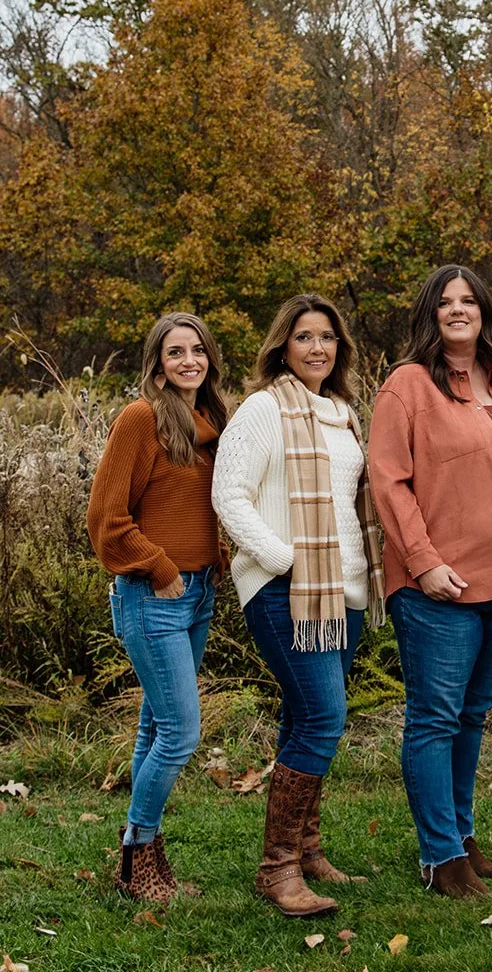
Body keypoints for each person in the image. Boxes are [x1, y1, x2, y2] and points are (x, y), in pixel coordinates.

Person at [368, 265, 492, 899]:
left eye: (470, 299)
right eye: (446, 302)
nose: (459, 310)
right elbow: (389, 481)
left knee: (472, 715)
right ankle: (439, 857)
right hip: (438, 585)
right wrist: (423, 561)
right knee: (435, 718)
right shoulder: (407, 387)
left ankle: (462, 837)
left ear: (484, 311)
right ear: (430, 315)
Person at [212, 293, 385, 918]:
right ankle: (276, 869)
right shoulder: (263, 410)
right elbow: (229, 496)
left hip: (346, 592)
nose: (318, 348)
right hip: (287, 590)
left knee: (303, 717)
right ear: (282, 345)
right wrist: (285, 560)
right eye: (306, 337)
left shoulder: (343, 413)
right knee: (323, 717)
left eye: (328, 338)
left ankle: (307, 852)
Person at [88, 312, 228, 904]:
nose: (188, 361)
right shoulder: (142, 419)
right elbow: (106, 518)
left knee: (154, 726)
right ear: (158, 362)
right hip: (154, 595)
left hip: (198, 595)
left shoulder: (214, 422)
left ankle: (142, 861)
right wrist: (161, 567)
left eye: (197, 350)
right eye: (176, 352)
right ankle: (135, 854)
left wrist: (214, 563)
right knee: (180, 733)